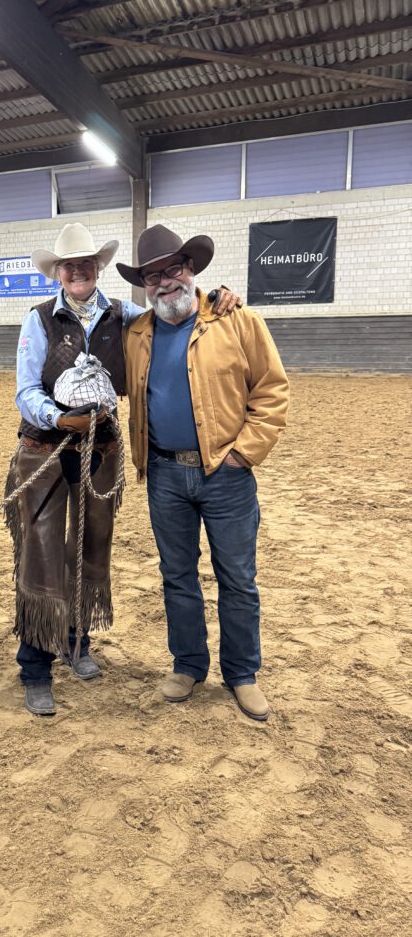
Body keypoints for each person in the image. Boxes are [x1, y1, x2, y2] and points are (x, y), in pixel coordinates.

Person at [6, 222, 239, 717]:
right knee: (41, 553)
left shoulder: (126, 316)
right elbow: (25, 389)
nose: (79, 271)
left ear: (98, 267)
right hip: (45, 449)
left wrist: (215, 298)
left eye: (87, 263)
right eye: (69, 265)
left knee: (91, 546)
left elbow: (175, 313)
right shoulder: (38, 320)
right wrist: (57, 418)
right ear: (58, 272)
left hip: (100, 451)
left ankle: (77, 641)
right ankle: (35, 665)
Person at [118, 223, 289, 721]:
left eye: (172, 269)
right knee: (177, 576)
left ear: (190, 269)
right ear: (144, 285)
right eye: (152, 276)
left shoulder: (238, 321)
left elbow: (271, 392)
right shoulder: (136, 333)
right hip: (164, 473)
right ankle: (188, 664)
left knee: (237, 578)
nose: (164, 282)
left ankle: (242, 673)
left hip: (226, 475)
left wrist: (243, 454)